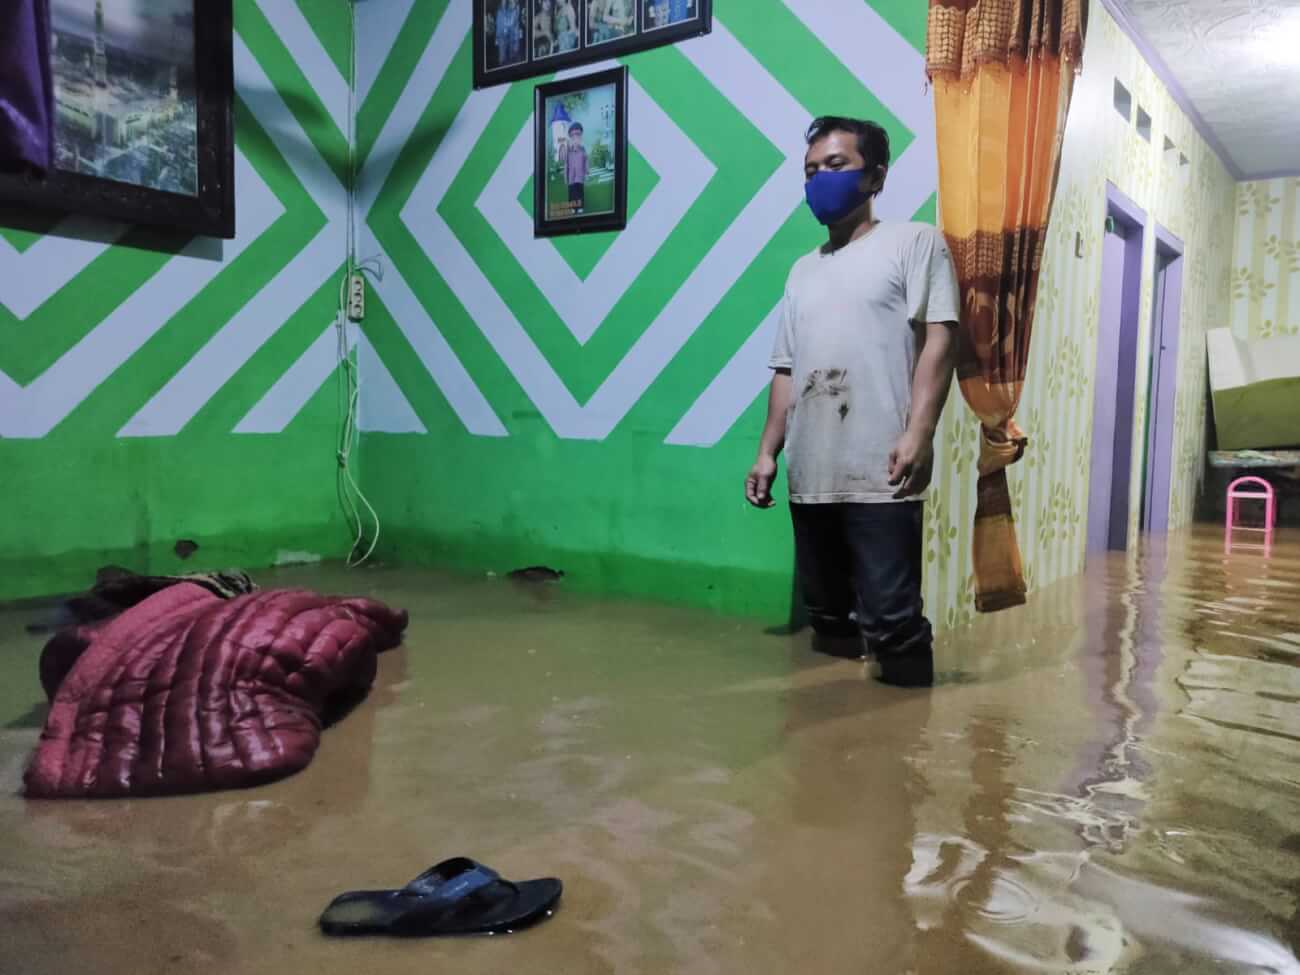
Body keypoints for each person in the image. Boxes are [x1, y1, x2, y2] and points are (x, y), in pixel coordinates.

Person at [744, 116, 959, 688]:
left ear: (876, 177)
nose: (820, 180)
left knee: (893, 623)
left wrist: (920, 432)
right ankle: (833, 751)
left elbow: (941, 337)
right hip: (811, 471)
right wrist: (768, 453)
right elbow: (787, 369)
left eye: (836, 166)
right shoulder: (802, 271)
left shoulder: (915, 243)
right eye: (811, 171)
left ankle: (906, 748)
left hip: (881, 469)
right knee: (828, 617)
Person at [565, 122, 588, 215]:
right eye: (573, 135)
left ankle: (580, 207)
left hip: (580, 175)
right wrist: (565, 177)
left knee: (580, 192)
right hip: (571, 177)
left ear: (580, 136)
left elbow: (586, 161)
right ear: (570, 137)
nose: (575, 137)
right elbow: (566, 164)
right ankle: (572, 207)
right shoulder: (568, 151)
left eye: (578, 134)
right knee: (572, 193)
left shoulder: (583, 150)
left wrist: (587, 172)